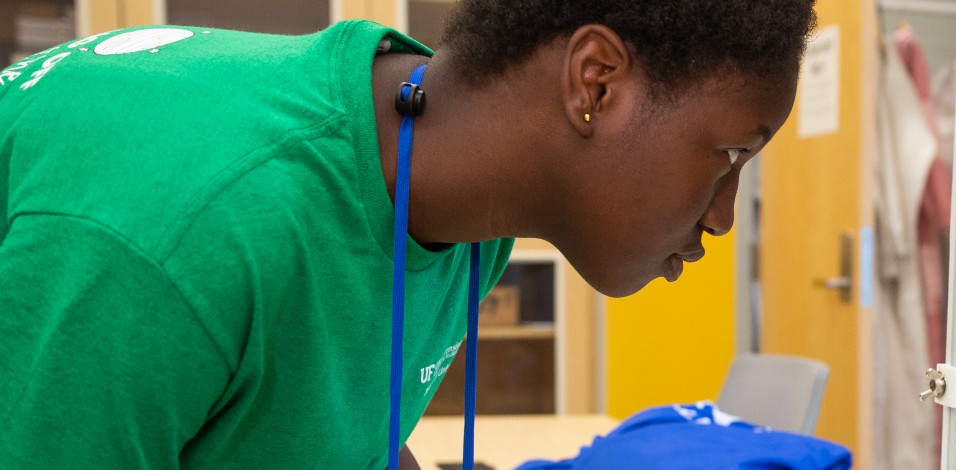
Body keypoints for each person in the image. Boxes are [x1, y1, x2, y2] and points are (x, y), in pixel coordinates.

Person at [0, 0, 815, 467]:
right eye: (730, 155)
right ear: (595, 84)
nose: (721, 215)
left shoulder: (457, 207)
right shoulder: (179, 243)